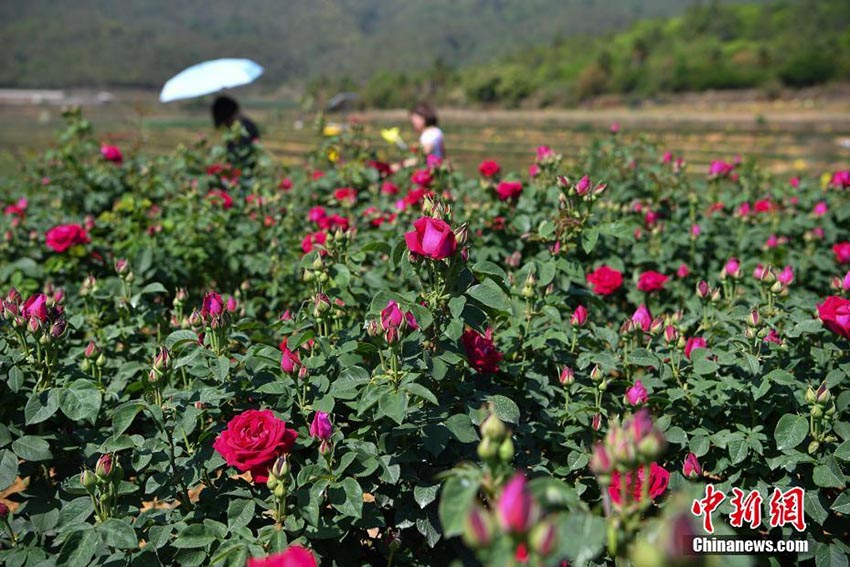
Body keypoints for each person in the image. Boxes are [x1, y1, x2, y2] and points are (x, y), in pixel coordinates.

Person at [211, 95, 260, 163]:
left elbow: (238, 158)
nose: (224, 126)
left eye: (224, 122)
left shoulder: (243, 130)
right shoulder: (244, 125)